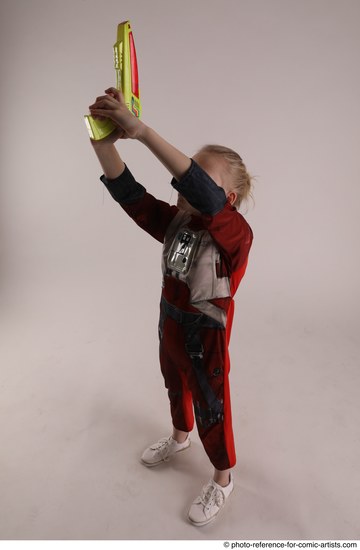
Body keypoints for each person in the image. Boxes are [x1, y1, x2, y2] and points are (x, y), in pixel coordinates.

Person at [88, 87, 254, 526]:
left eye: (199, 175)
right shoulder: (177, 220)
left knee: (211, 403)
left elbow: (205, 195)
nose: (183, 179)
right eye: (188, 169)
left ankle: (222, 478)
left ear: (228, 200)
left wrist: (141, 131)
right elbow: (133, 197)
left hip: (207, 333)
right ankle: (180, 436)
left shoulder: (235, 233)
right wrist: (103, 144)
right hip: (170, 321)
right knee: (172, 381)